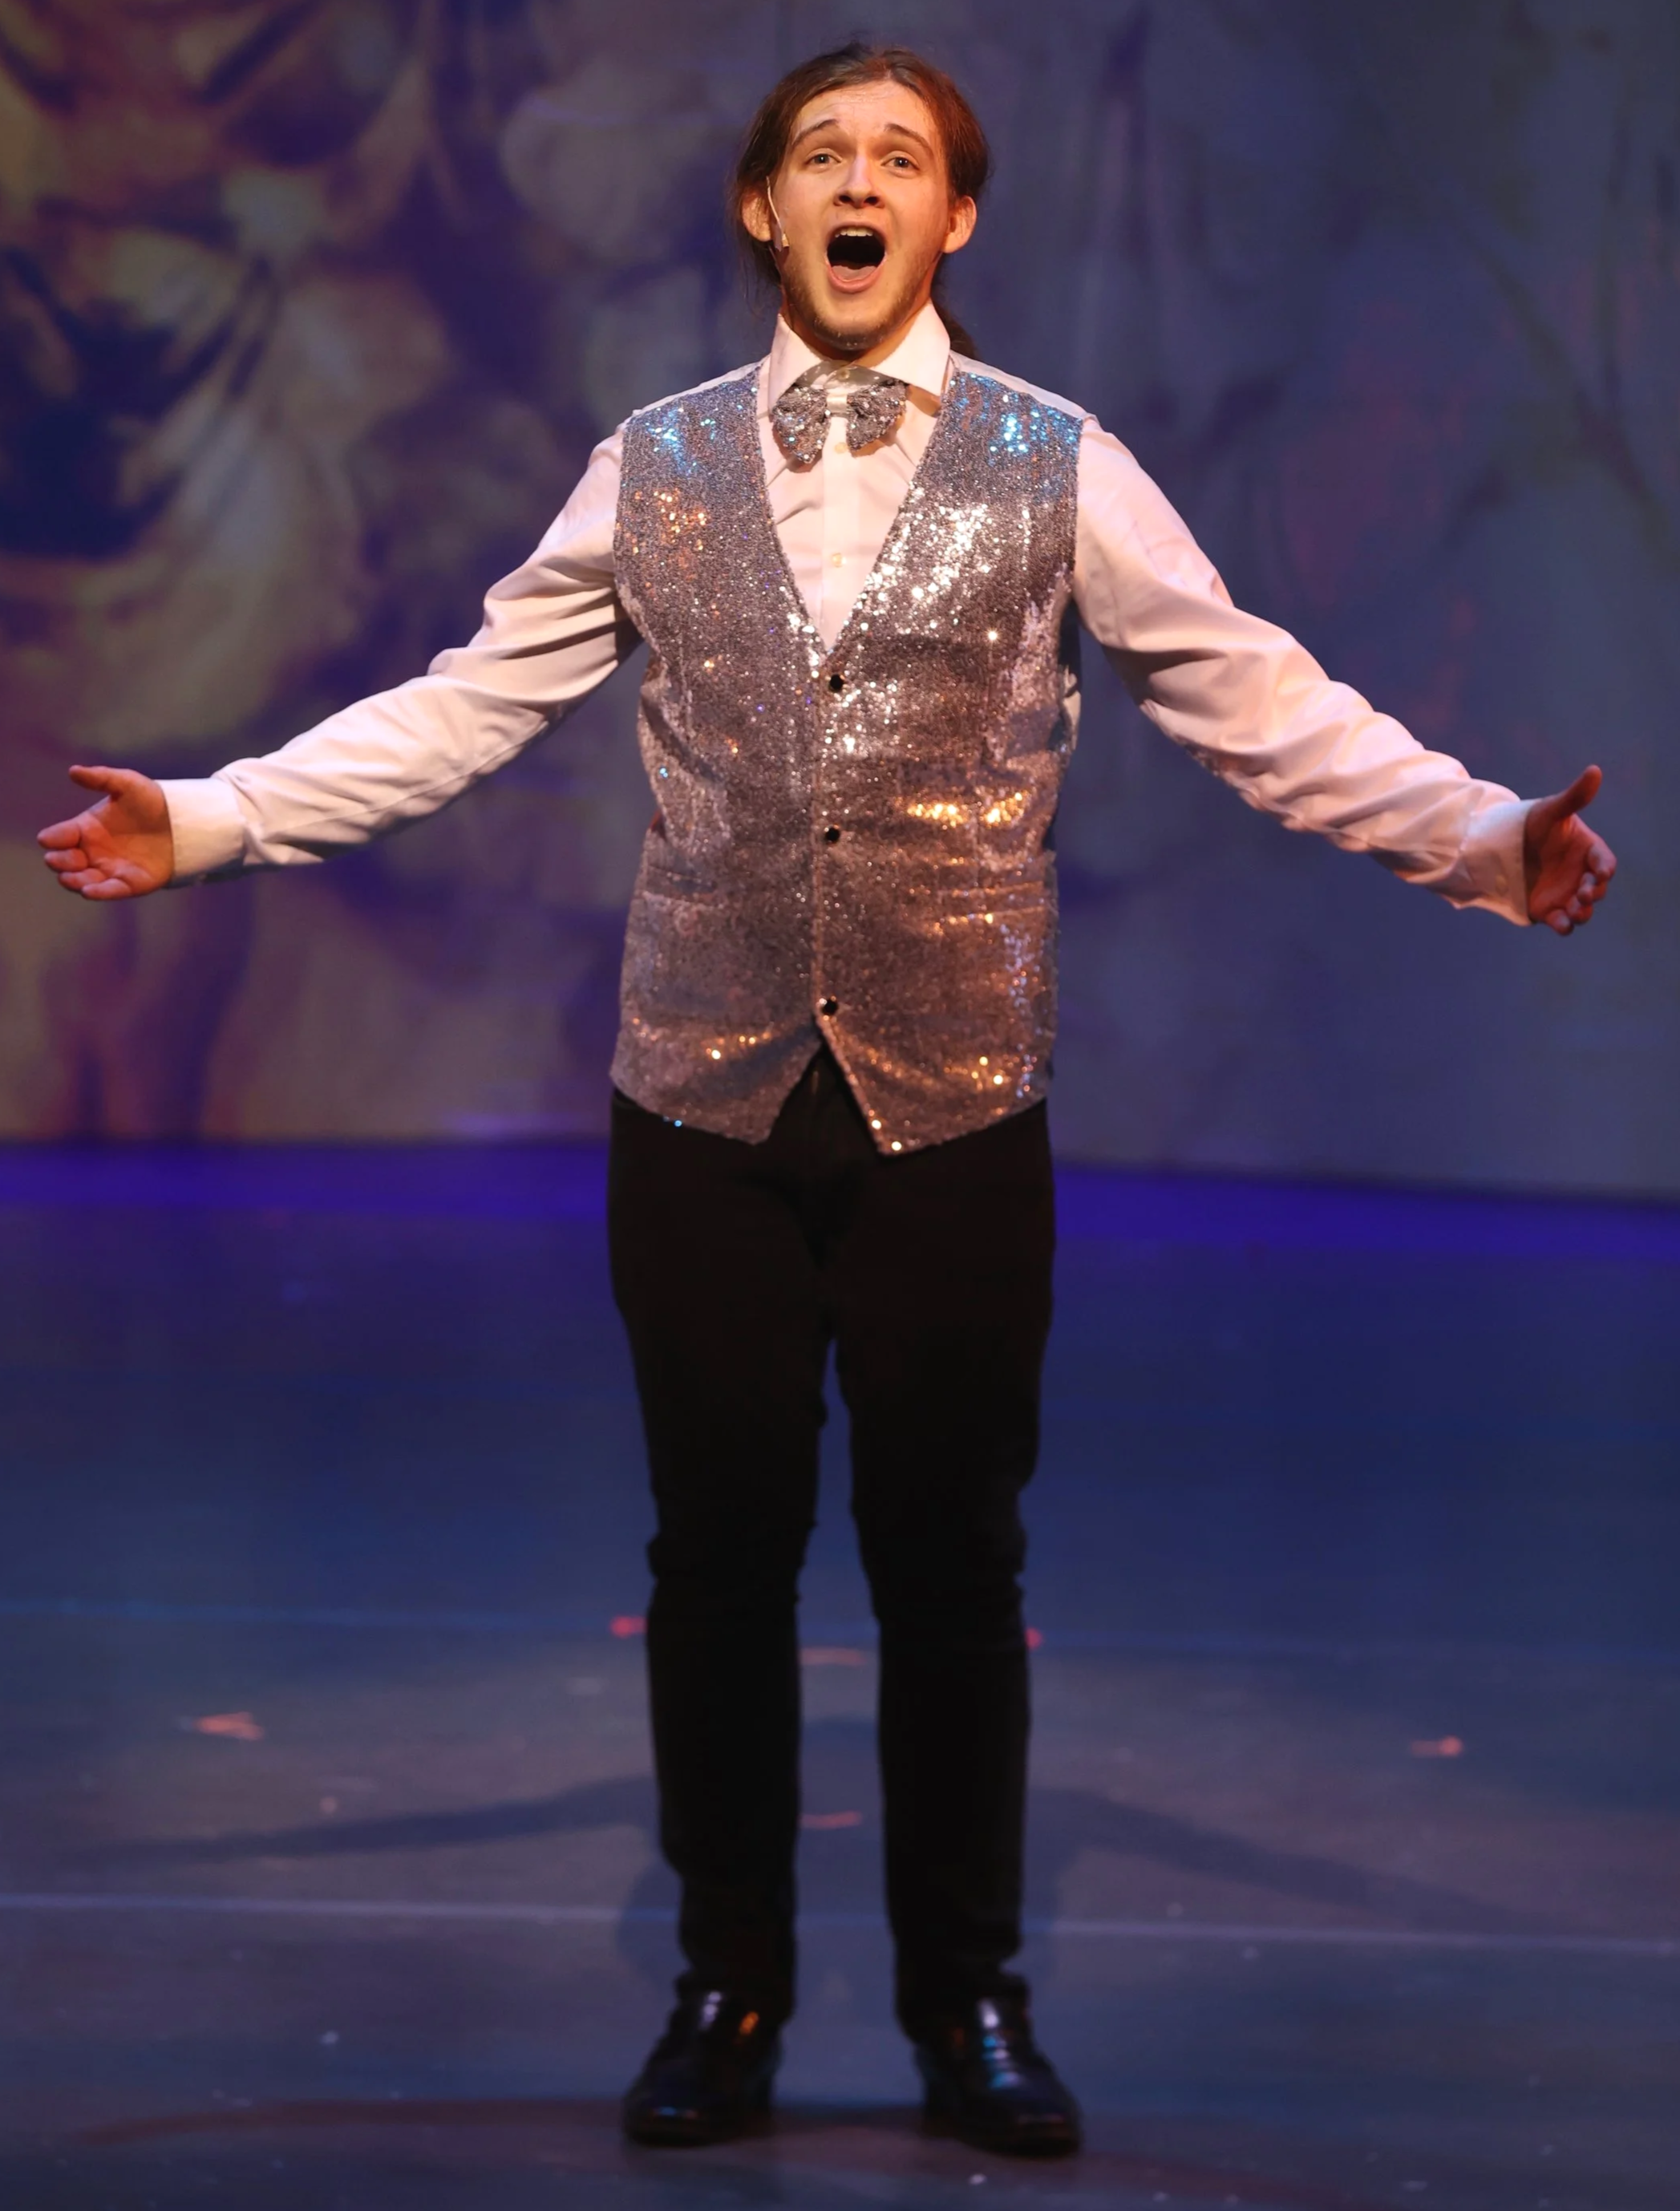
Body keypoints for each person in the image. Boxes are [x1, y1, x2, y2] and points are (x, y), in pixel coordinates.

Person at [38, 40, 1615, 2160]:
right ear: (761, 209)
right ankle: (728, 1985)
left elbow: (1252, 695)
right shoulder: (654, 464)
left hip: (951, 1107)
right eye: (818, 154)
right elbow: (465, 705)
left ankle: (969, 1999)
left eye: (900, 158)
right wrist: (213, 817)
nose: (857, 184)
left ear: (953, 218)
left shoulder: (1060, 463)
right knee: (717, 1558)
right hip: (701, 1105)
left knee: (952, 1564)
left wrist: (1482, 834)